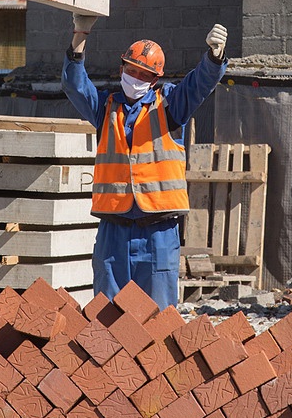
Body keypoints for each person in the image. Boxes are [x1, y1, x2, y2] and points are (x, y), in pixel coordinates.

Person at [62, 15, 228, 308]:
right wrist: (80, 34)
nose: (135, 78)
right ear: (122, 68)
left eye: (143, 75)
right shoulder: (105, 108)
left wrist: (214, 58)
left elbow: (198, 85)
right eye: (131, 70)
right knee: (106, 318)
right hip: (114, 230)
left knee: (158, 319)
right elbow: (75, 86)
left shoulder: (170, 106)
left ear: (155, 79)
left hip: (158, 232)